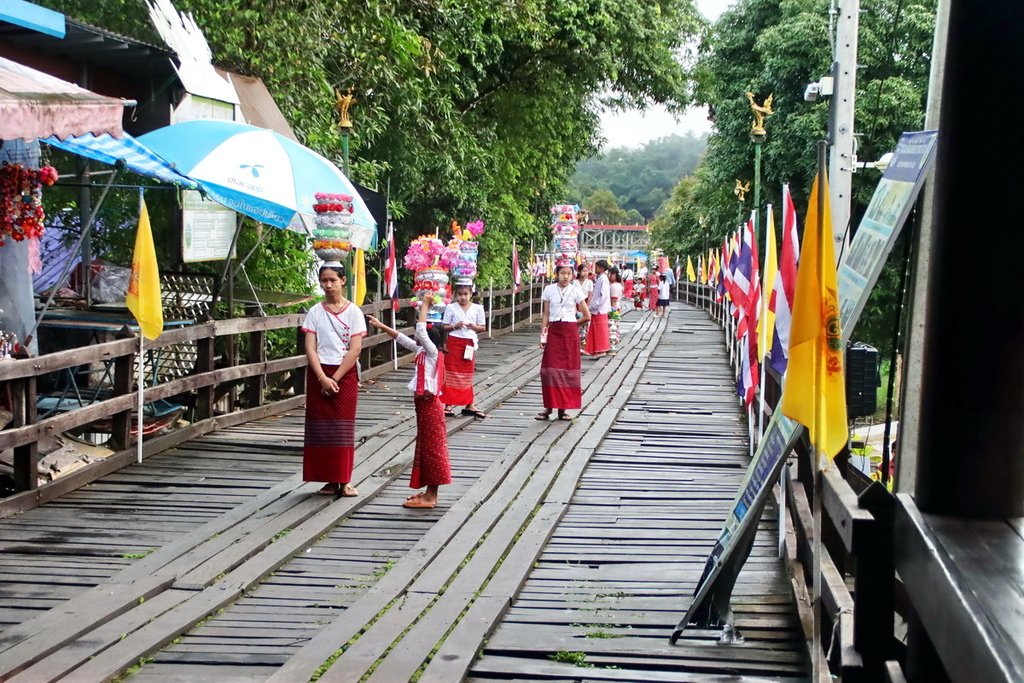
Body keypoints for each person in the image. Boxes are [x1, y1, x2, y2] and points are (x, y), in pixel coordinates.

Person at [368, 292, 452, 509]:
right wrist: (382, 326)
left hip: (431, 404)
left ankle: (431, 496)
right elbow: (402, 339)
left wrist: (424, 304)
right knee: (426, 448)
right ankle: (428, 492)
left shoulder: (433, 353)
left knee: (433, 450)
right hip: (423, 406)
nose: (418, 339)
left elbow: (421, 330)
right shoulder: (423, 351)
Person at [302, 263, 365, 497]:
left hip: (344, 372)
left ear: (342, 281)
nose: (328, 285)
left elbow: (355, 349)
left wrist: (335, 378)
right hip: (320, 371)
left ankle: (344, 479)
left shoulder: (354, 312)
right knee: (321, 429)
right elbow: (310, 348)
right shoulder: (315, 312)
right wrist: (322, 378)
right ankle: (328, 479)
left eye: (332, 280)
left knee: (342, 427)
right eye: (324, 280)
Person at [538, 264, 591, 421]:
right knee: (548, 370)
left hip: (569, 333)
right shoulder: (549, 290)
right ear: (556, 274)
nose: (566, 277)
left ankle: (563, 409)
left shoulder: (576, 291)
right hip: (554, 331)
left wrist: (574, 324)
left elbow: (587, 315)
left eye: (569, 273)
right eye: (562, 273)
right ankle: (548, 407)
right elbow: (546, 315)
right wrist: (543, 334)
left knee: (567, 370)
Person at [441, 284, 487, 418]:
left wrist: (474, 327)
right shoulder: (451, 307)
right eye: (460, 294)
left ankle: (469, 403)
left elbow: (482, 327)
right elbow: (444, 326)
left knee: (467, 374)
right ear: (456, 295)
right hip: (454, 342)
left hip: (469, 343)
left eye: (465, 294)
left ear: (471, 294)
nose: (463, 297)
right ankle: (448, 404)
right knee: (450, 373)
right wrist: (455, 326)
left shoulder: (478, 308)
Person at [584, 259, 611, 358]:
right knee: (596, 329)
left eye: (597, 267)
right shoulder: (600, 278)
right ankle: (595, 349)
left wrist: (594, 305)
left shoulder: (603, 279)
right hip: (597, 308)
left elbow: (603, 296)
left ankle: (601, 350)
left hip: (600, 308)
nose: (595, 269)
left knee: (600, 330)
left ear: (602, 268)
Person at [575, 264, 593, 351]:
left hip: (585, 303)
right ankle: (577, 344)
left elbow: (590, 296)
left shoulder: (589, 282)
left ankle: (584, 345)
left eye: (587, 271)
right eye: (583, 271)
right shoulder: (575, 282)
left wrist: (587, 307)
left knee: (585, 325)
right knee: (576, 323)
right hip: (576, 304)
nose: (585, 273)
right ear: (579, 272)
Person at [607, 267, 623, 351]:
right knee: (615, 327)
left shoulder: (614, 286)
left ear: (613, 274)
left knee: (612, 326)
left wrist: (611, 313)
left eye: (609, 274)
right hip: (617, 308)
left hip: (614, 309)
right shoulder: (617, 285)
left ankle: (612, 346)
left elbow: (613, 300)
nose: (608, 276)